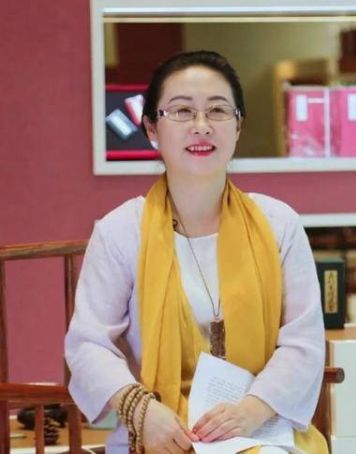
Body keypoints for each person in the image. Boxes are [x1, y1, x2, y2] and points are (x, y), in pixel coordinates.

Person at [65, 50, 327, 453]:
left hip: (258, 427)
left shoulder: (279, 224)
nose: (201, 126)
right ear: (151, 128)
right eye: (182, 111)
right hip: (158, 432)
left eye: (218, 110)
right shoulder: (120, 231)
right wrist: (141, 412)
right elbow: (88, 345)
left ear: (238, 126)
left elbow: (303, 343)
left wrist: (249, 411)